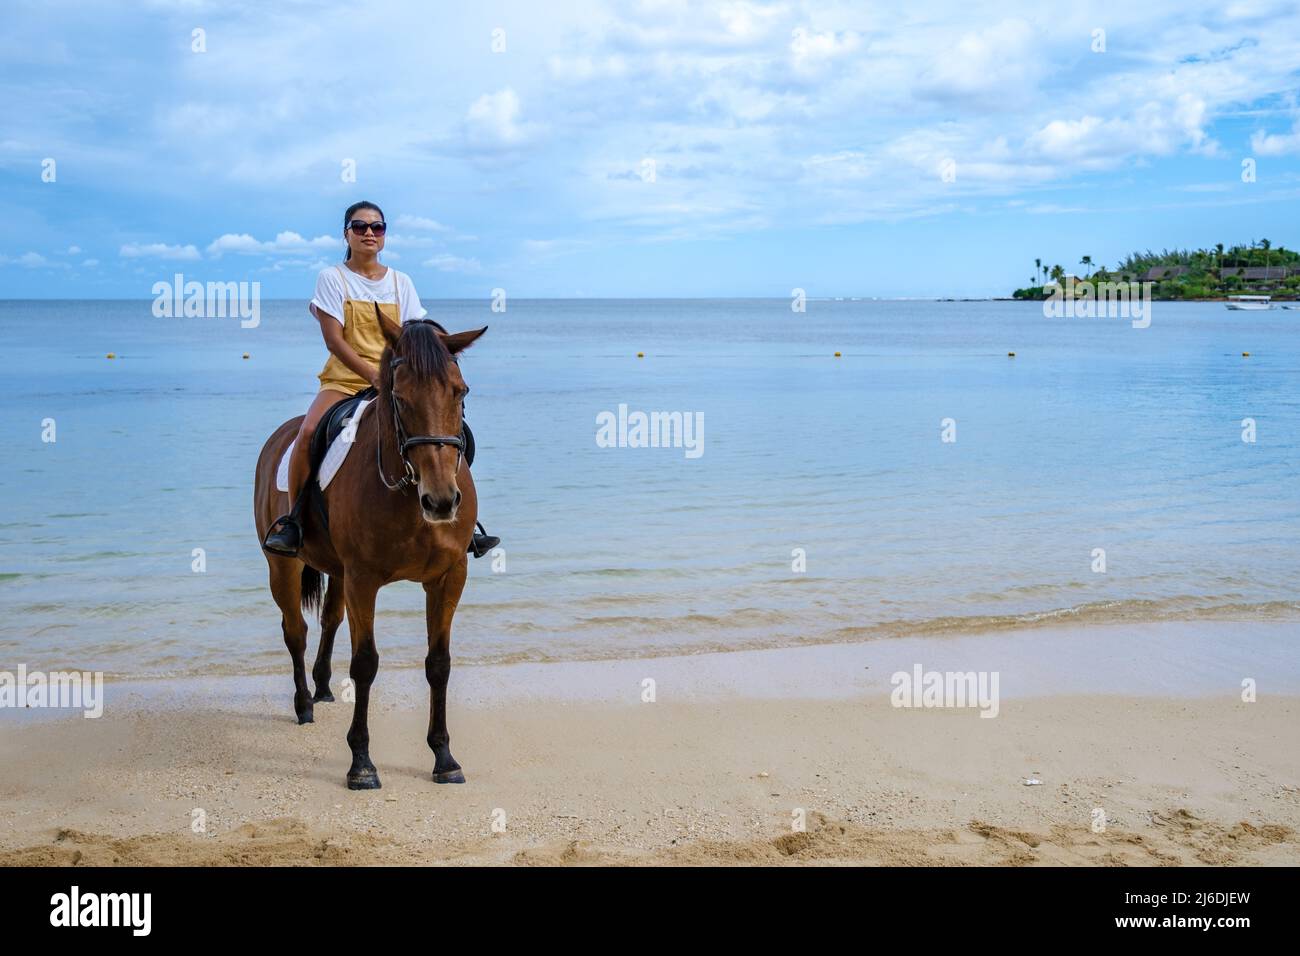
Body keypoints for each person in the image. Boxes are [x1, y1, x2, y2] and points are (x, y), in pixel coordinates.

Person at [262, 200, 499, 558]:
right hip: (343, 382)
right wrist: (373, 375)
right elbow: (334, 340)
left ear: (384, 236)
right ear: (347, 234)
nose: (369, 233)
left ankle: (466, 525)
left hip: (398, 383)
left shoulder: (400, 282)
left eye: (377, 227)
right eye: (360, 227)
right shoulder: (333, 278)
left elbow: (419, 334)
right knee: (309, 432)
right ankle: (294, 522)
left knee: (455, 432)